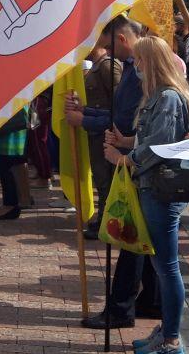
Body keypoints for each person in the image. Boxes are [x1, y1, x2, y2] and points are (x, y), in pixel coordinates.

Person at [103, 35, 189, 354]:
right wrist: (126, 141)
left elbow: (160, 145)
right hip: (154, 186)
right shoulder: (162, 96)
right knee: (163, 264)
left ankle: (173, 339)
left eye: (139, 61)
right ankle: (167, 330)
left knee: (167, 266)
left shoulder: (168, 97)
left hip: (162, 188)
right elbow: (156, 138)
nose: (135, 66)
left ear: (152, 62)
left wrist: (125, 158)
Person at [65, 16, 160, 329]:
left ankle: (121, 309)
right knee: (142, 240)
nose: (104, 48)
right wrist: (85, 114)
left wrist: (90, 123)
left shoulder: (145, 75)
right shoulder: (132, 68)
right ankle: (150, 301)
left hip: (139, 165)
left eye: (107, 41)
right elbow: (116, 113)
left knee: (133, 241)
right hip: (126, 154)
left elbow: (134, 123)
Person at [83, 35, 123, 238]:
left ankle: (105, 221)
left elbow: (117, 105)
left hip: (105, 132)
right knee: (100, 177)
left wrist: (87, 118)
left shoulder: (108, 66)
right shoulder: (97, 65)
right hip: (96, 130)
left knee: (105, 178)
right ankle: (103, 219)